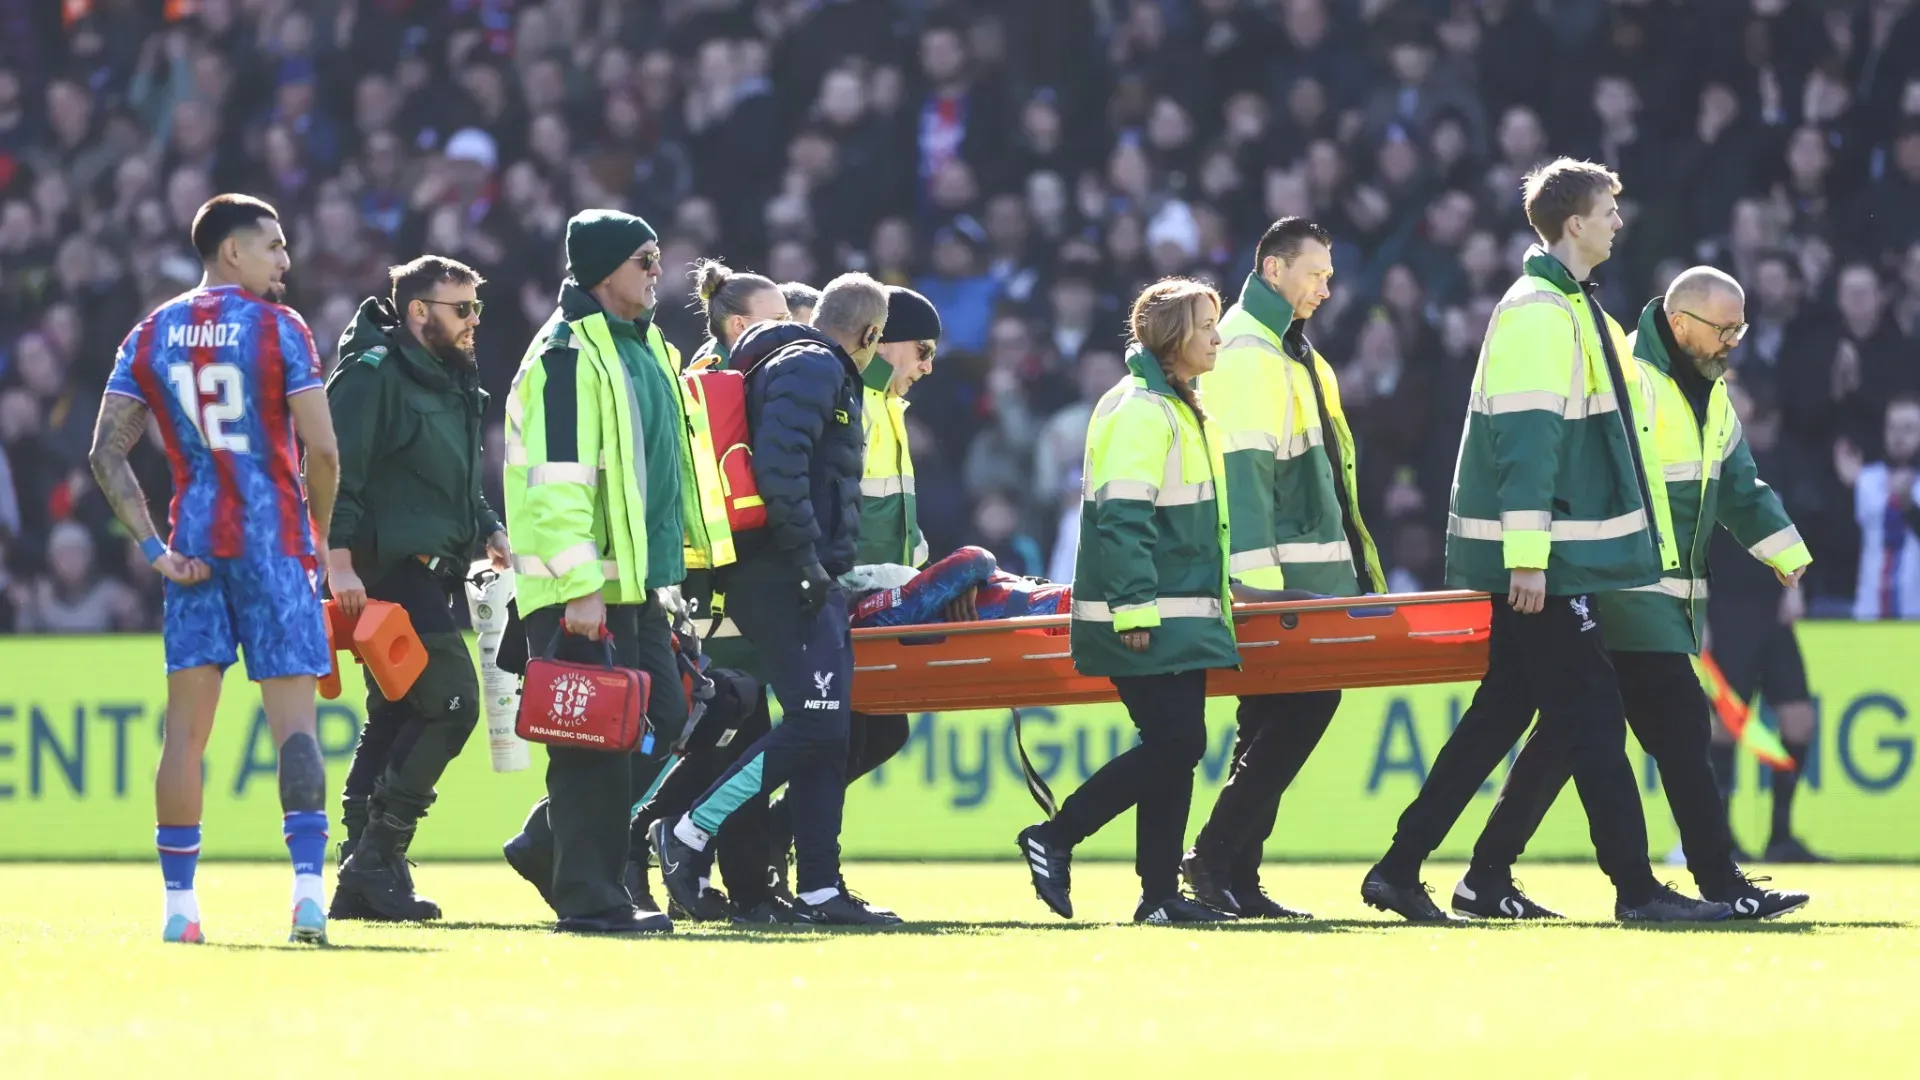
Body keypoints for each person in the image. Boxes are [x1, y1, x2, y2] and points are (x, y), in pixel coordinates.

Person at [1360, 159, 1731, 924]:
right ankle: (1636, 888)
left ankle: (1400, 868)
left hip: (1554, 559)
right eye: (1607, 211)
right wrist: (1528, 557)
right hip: (1544, 565)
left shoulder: (1568, 308)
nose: (1617, 223)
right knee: (1594, 717)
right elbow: (1528, 445)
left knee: (1499, 720)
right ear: (1573, 224)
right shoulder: (1541, 310)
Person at [1462, 266, 1813, 921]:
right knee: (1678, 729)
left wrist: (1784, 550)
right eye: (1723, 328)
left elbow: (1740, 485)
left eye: (1740, 327)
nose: (1734, 340)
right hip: (1622, 590)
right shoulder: (1631, 382)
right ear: (1680, 325)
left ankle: (1486, 877)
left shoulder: (1709, 393)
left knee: (1570, 738)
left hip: (1649, 596)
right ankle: (1715, 879)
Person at [88, 193, 341, 945]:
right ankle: (305, 897)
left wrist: (152, 551)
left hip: (193, 549)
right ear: (232, 251)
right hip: (274, 547)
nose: (285, 262)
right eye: (274, 246)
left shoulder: (152, 332)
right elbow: (323, 451)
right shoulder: (280, 329)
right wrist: (322, 538)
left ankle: (179, 909)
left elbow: (106, 454)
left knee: (184, 739)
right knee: (295, 728)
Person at [651, 273, 904, 927]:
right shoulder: (814, 366)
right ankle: (688, 832)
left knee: (829, 730)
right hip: (785, 572)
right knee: (818, 723)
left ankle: (820, 887)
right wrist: (806, 559)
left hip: (796, 570)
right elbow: (780, 465)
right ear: (870, 334)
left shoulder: (795, 363)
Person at [1016, 278, 1240, 925]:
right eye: (1205, 326)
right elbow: (1122, 520)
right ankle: (1055, 838)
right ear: (1174, 339)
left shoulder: (1171, 405)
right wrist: (1136, 610)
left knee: (1176, 747)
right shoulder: (1144, 409)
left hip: (1176, 615)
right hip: (1149, 617)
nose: (1217, 337)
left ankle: (1159, 897)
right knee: (1176, 745)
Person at [1181, 217, 1385, 920]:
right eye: (1315, 274)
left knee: (1268, 720)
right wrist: (1254, 589)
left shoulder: (1282, 349)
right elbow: (1246, 479)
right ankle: (1214, 858)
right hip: (1277, 585)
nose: (1327, 288)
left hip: (1299, 579)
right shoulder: (1250, 352)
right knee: (1299, 709)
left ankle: (1235, 874)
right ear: (1274, 270)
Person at [500, 209, 693, 934]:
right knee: (593, 748)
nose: (656, 272)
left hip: (633, 584)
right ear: (604, 269)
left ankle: (554, 841)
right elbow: (554, 482)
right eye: (644, 259)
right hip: (584, 586)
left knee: (665, 719)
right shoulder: (566, 355)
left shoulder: (643, 348)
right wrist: (580, 585)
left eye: (658, 257)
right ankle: (589, 896)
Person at [325, 255, 508, 922]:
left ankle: (362, 877)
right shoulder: (372, 377)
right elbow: (336, 471)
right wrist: (338, 562)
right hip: (387, 569)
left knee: (399, 715)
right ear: (418, 311)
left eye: (476, 308)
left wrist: (487, 526)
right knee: (454, 702)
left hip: (431, 566)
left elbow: (455, 480)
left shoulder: (452, 378)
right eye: (461, 308)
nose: (473, 322)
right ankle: (375, 856)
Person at [1705, 379, 1827, 863]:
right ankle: (1723, 839)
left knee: (1799, 719)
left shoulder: (1776, 460)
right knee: (1721, 726)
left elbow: (1796, 525)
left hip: (1773, 606)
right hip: (1725, 607)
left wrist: (1800, 585)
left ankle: (1780, 836)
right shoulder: (1703, 464)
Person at [1838, 396, 1920, 620]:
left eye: (1908, 429)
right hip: (1869, 613)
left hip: (1915, 615)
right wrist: (1846, 490)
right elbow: (1841, 540)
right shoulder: (1866, 480)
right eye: (1892, 427)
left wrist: (1910, 508)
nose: (1899, 436)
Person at [688, 259, 792, 369]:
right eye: (778, 320)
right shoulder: (711, 380)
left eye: (788, 318)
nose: (789, 327)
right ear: (740, 325)